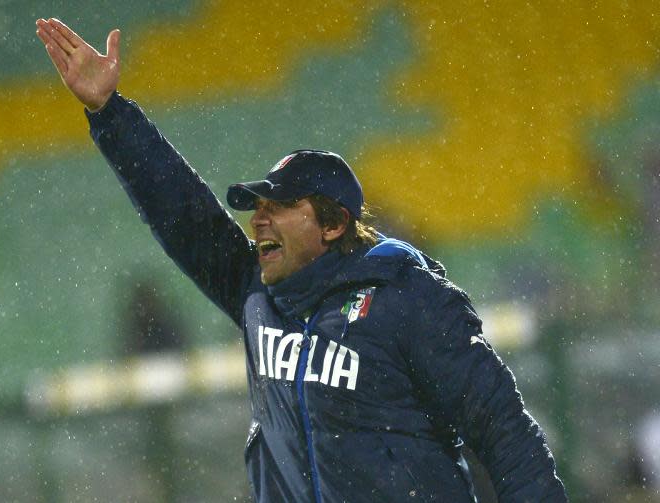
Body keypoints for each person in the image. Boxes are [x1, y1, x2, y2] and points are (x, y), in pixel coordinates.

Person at [35, 18, 568, 503]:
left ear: (333, 225)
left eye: (280, 207)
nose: (259, 220)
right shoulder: (257, 294)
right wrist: (110, 113)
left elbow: (505, 432)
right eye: (256, 208)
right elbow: (183, 213)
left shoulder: (409, 300)